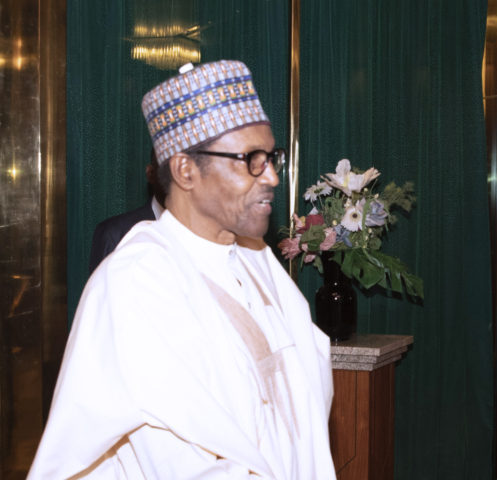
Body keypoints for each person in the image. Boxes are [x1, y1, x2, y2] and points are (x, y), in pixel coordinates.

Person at [28, 60, 336, 479]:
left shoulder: (258, 260)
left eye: (272, 158)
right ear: (185, 170)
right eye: (251, 160)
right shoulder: (137, 283)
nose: (272, 179)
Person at [88, 150, 166, 273]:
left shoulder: (202, 231)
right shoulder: (115, 234)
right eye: (167, 168)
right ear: (150, 173)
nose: (178, 177)